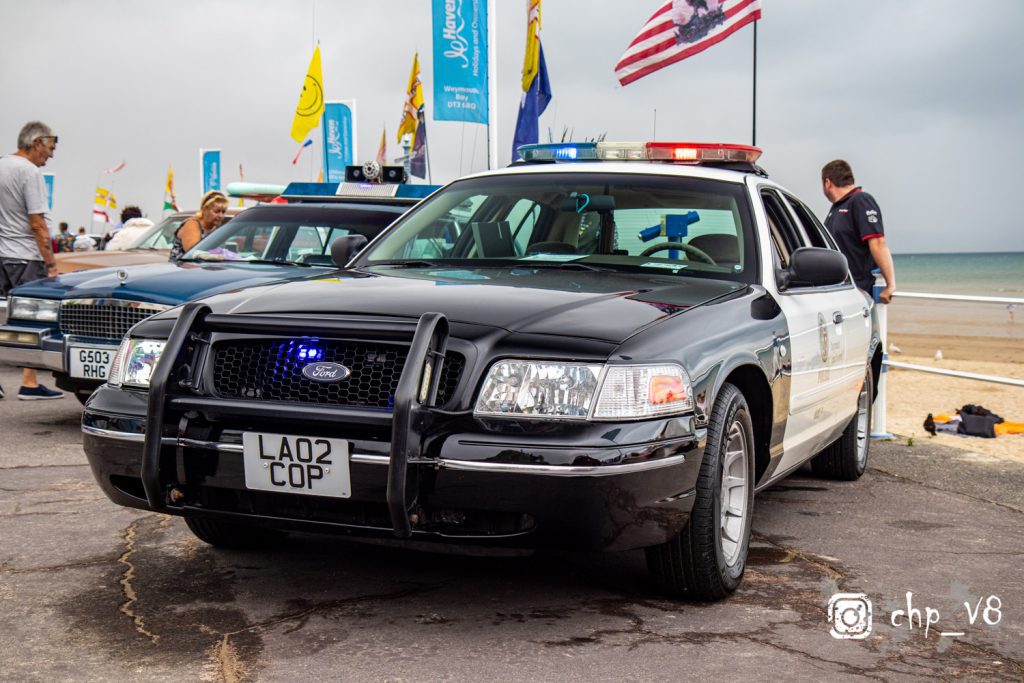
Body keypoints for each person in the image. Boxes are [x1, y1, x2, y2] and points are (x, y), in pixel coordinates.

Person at [0, 121, 63, 399]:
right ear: (37, 142)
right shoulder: (29, 172)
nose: (50, 155)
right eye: (49, 149)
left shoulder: (2, 164)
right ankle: (28, 382)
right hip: (25, 256)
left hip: (2, 253)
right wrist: (50, 263)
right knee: (31, 320)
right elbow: (37, 223)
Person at [821, 159, 896, 304]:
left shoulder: (861, 201)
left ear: (827, 183)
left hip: (859, 294)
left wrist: (890, 284)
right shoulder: (836, 208)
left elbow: (878, 243)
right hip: (839, 292)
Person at [169, 190, 228, 260]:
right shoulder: (192, 225)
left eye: (223, 212)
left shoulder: (216, 229)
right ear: (204, 209)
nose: (221, 215)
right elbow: (193, 253)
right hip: (183, 269)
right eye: (216, 211)